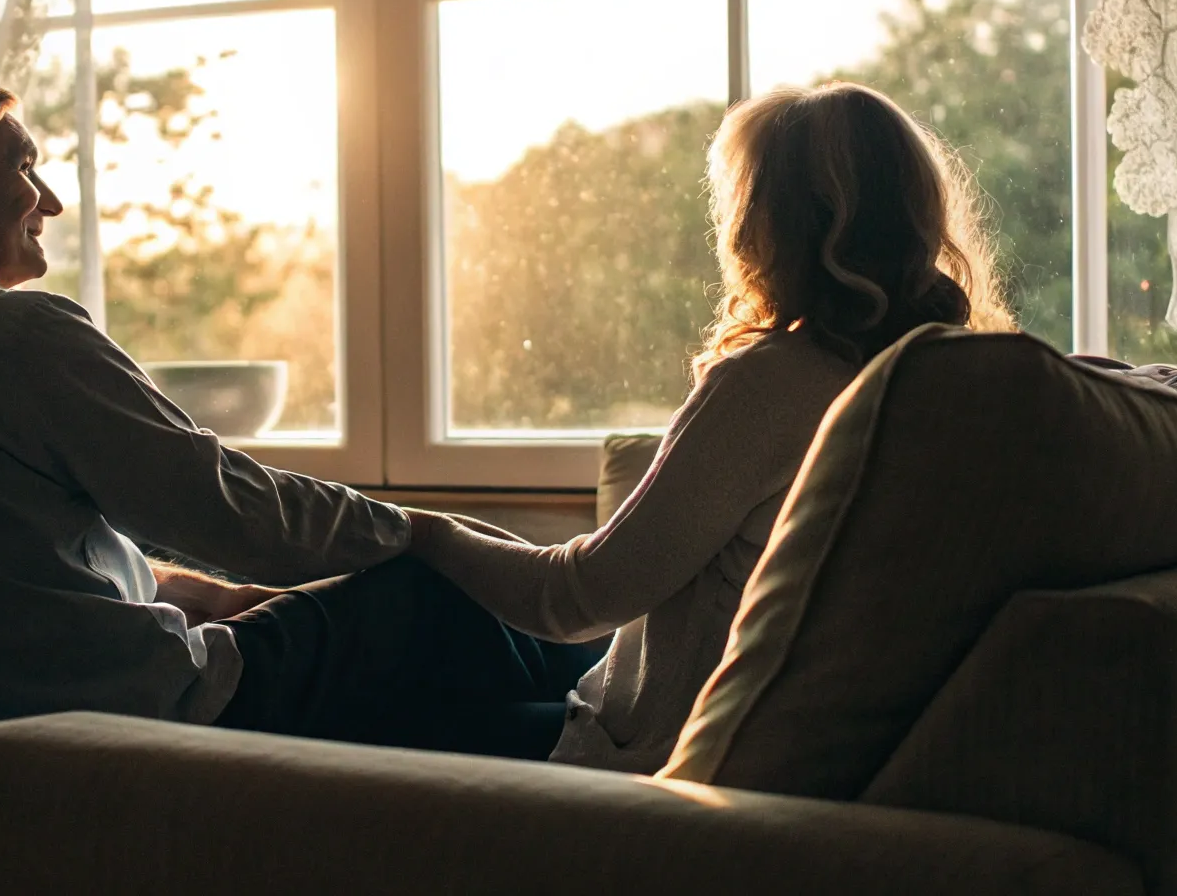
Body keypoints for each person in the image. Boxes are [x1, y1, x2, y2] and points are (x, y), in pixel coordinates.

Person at [0, 71, 594, 783]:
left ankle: (584, 743)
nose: (53, 199)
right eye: (26, 166)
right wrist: (419, 531)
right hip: (146, 726)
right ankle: (646, 716)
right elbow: (230, 513)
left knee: (480, 713)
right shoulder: (18, 335)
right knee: (426, 591)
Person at [405, 82, 1013, 774]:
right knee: (437, 620)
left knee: (395, 639)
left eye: (744, 201)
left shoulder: (774, 381)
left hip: (659, 754)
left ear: (775, 222)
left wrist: (423, 530)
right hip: (795, 748)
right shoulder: (956, 379)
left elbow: (582, 598)